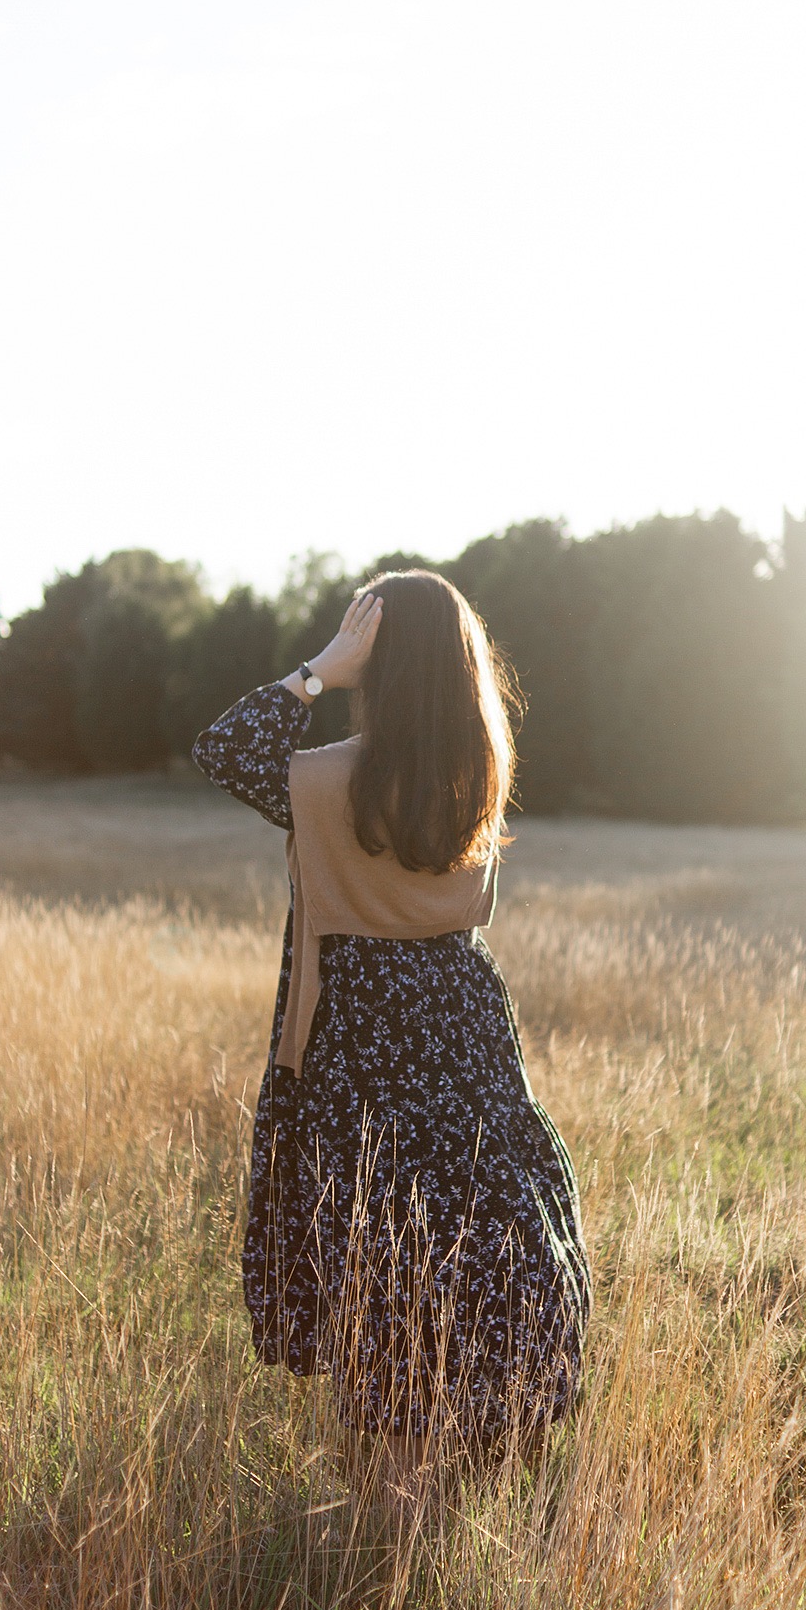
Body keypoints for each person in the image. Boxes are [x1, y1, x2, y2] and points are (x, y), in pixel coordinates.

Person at [193, 570, 590, 1467]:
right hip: (460, 1015)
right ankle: (491, 1413)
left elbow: (224, 749)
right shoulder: (478, 771)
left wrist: (317, 671)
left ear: (377, 659)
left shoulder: (327, 781)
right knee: (479, 1216)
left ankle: (395, 1444)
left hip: (360, 1024)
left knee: (377, 1232)